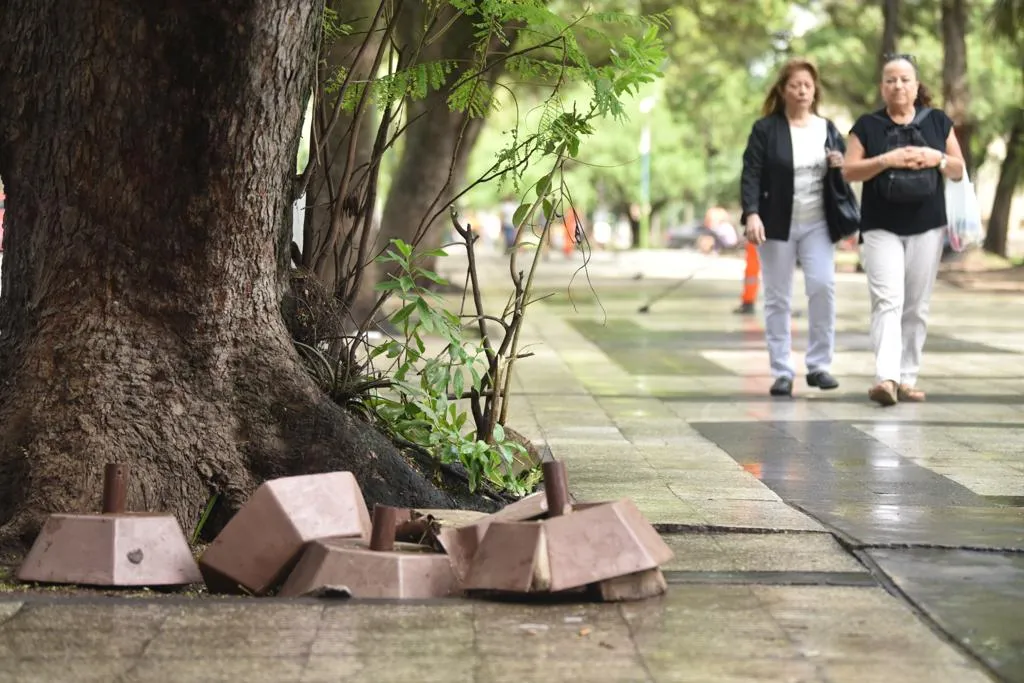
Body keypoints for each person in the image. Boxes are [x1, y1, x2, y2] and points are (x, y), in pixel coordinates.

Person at [842, 54, 964, 406]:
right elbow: (849, 171)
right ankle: (887, 378)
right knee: (887, 300)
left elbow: (957, 168)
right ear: (882, 87)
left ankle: (907, 377)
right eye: (891, 80)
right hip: (881, 226)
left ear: (916, 85)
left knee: (916, 305)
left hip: (927, 225)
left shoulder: (938, 122)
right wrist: (885, 161)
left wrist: (935, 158)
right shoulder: (866, 126)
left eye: (905, 79)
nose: (898, 85)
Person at [740, 58, 846, 398]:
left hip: (817, 221)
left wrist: (839, 163)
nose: (802, 90)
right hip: (775, 223)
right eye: (795, 85)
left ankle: (818, 365)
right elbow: (752, 173)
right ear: (783, 91)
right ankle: (782, 371)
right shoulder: (766, 129)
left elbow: (845, 169)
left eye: (808, 85)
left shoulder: (827, 128)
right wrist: (752, 213)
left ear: (815, 91)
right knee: (777, 297)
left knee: (823, 286)